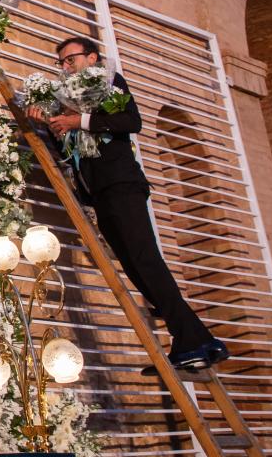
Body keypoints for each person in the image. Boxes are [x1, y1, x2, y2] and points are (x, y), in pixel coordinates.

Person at [33, 37, 226, 372]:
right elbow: (71, 150)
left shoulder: (108, 82)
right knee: (136, 267)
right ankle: (194, 342)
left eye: (70, 59)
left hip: (122, 185)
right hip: (99, 191)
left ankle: (197, 341)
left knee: (146, 261)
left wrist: (77, 121)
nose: (65, 67)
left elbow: (129, 122)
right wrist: (50, 125)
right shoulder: (67, 99)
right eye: (60, 62)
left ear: (92, 57)